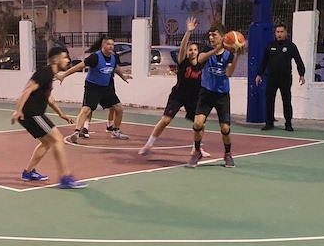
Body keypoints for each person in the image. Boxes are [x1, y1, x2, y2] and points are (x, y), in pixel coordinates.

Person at [11, 46, 85, 189]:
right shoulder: (45, 72)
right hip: (31, 113)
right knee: (58, 139)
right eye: (65, 57)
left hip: (32, 114)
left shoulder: (49, 75)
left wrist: (61, 114)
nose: (68, 60)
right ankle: (65, 177)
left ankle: (28, 173)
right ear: (56, 60)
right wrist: (18, 110)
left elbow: (49, 98)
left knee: (47, 143)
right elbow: (27, 89)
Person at [139, 17, 209, 158]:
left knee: (200, 124)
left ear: (198, 52)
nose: (192, 51)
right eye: (190, 49)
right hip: (178, 96)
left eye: (195, 50)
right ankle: (149, 144)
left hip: (194, 98)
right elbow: (182, 48)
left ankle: (196, 148)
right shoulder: (183, 62)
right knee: (166, 120)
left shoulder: (201, 65)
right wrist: (188, 32)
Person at [58, 37, 131, 141]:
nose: (111, 46)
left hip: (106, 87)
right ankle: (77, 132)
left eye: (112, 44)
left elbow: (116, 68)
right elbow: (79, 66)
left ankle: (116, 130)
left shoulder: (113, 57)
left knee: (119, 108)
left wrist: (123, 77)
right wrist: (64, 75)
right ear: (103, 46)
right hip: (93, 87)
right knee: (86, 109)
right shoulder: (95, 57)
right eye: (109, 44)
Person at [189, 25, 242, 169]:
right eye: (210, 35)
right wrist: (215, 50)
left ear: (223, 37)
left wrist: (237, 56)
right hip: (206, 93)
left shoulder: (229, 54)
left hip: (222, 95)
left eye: (214, 35)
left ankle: (228, 154)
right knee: (197, 124)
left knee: (225, 128)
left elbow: (229, 73)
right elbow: (200, 59)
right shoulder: (206, 49)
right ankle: (197, 151)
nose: (211, 38)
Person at [254, 23, 306, 132]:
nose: (279, 34)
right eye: (277, 32)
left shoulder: (291, 46)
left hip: (285, 78)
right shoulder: (270, 46)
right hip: (272, 77)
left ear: (286, 33)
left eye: (282, 32)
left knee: (286, 100)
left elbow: (298, 60)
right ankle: (269, 123)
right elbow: (264, 61)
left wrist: (301, 74)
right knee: (269, 100)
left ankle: (288, 124)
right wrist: (259, 74)